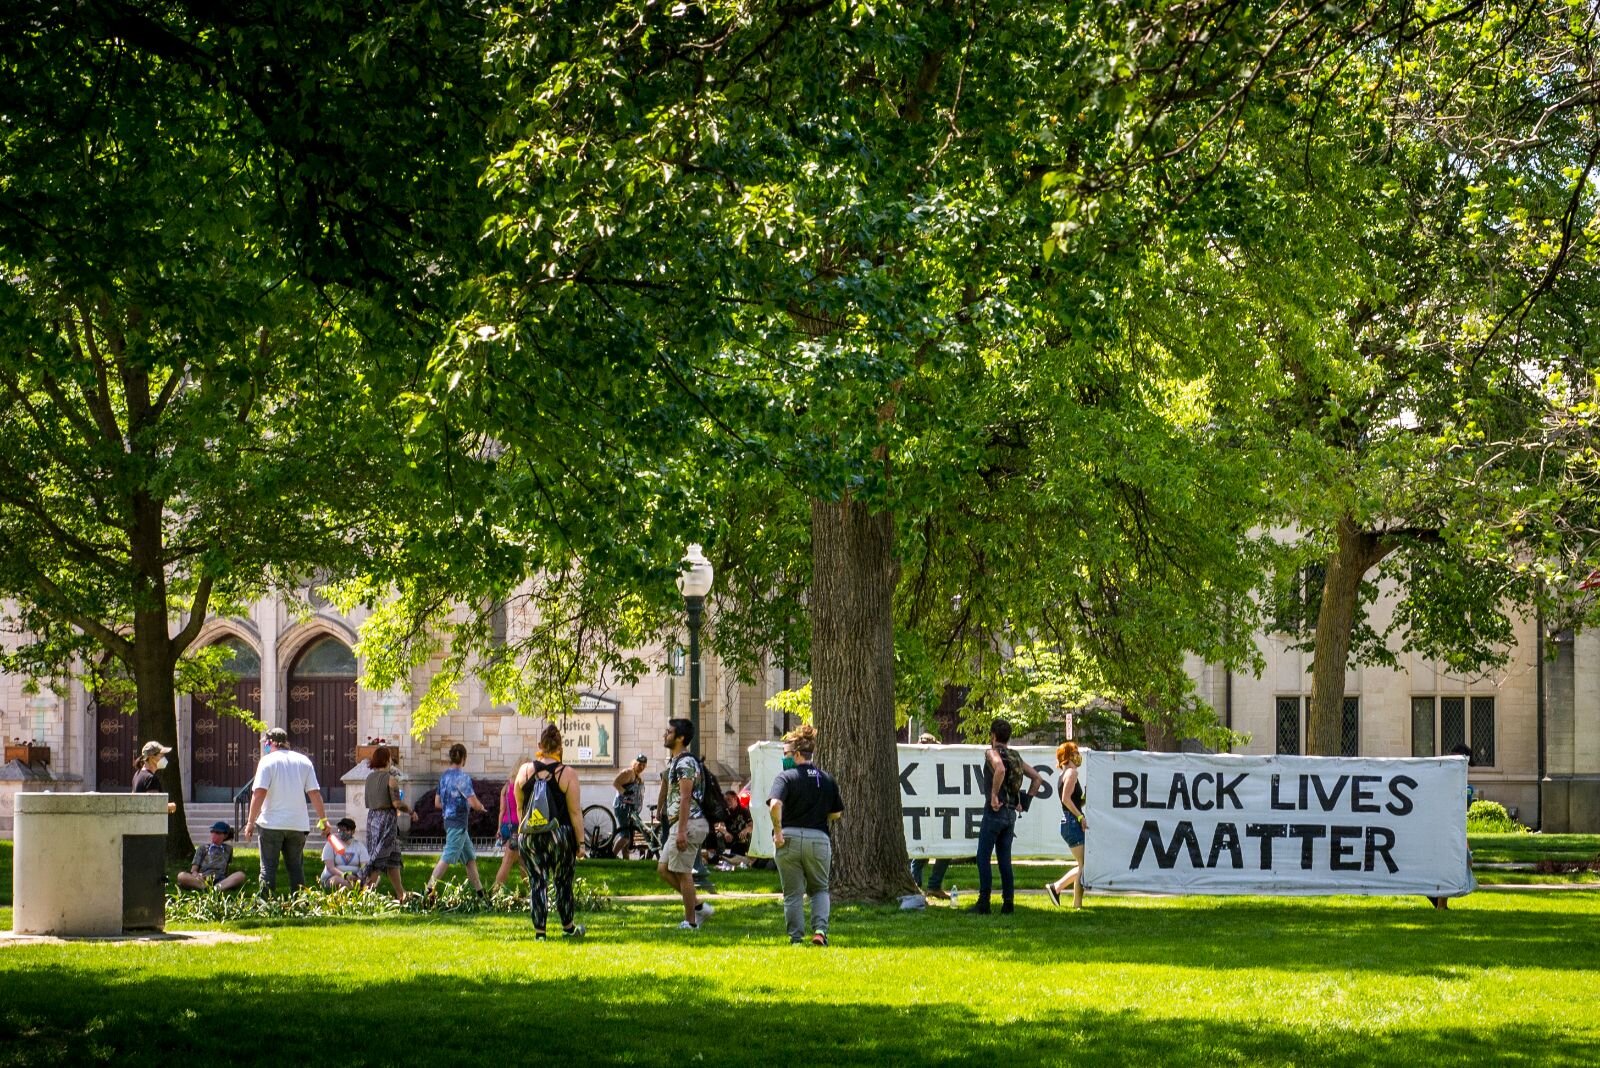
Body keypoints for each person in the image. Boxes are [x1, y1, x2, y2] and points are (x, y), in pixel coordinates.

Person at [768, 724, 844, 945]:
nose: (785, 758)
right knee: (820, 889)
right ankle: (820, 930)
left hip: (789, 839)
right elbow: (837, 813)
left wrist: (778, 832)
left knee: (792, 894)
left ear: (798, 754)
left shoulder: (786, 777)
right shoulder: (827, 779)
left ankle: (796, 939)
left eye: (787, 754)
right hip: (819, 839)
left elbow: (774, 805)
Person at [515, 722, 587, 939]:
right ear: (560, 747)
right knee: (563, 881)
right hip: (560, 835)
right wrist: (581, 844)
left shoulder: (524, 770)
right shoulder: (567, 773)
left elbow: (520, 806)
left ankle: (540, 933)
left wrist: (524, 832)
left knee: (537, 882)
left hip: (530, 836)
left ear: (540, 745)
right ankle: (567, 928)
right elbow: (575, 813)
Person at [971, 718, 1049, 915]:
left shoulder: (992, 752)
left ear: (993, 736)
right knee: (1004, 860)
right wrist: (1025, 801)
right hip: (1011, 815)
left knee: (983, 857)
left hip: (995, 812)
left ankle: (984, 902)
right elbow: (1038, 778)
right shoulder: (1016, 756)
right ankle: (1008, 903)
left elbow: (1000, 768)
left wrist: (994, 795)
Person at [244, 726, 332, 895]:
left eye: (266, 743)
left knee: (268, 868)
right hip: (297, 825)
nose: (265, 746)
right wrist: (323, 821)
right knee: (296, 868)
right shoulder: (304, 761)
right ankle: (300, 903)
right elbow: (314, 793)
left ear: (271, 743)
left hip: (271, 823)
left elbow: (259, 793)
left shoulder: (267, 761)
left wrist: (250, 822)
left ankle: (265, 903)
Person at [657, 718, 713, 930]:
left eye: (669, 732)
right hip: (679, 823)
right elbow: (669, 788)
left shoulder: (686, 763)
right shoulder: (675, 761)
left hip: (689, 823)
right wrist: (662, 808)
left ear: (680, 737)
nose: (665, 735)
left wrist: (681, 831)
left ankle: (691, 922)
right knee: (663, 869)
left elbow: (686, 797)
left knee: (683, 872)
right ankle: (698, 907)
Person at [425, 743, 487, 899]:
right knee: (447, 857)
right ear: (464, 759)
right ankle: (428, 890)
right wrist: (481, 807)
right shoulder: (462, 778)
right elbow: (473, 802)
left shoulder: (444, 777)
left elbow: (437, 803)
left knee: (470, 858)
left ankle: (481, 893)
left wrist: (450, 805)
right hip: (458, 824)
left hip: (451, 822)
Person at [362, 745, 412, 899]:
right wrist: (410, 811)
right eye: (389, 758)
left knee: (393, 859)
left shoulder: (369, 778)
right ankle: (363, 897)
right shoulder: (391, 780)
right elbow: (397, 804)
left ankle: (401, 894)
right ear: (386, 760)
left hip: (372, 819)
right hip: (386, 821)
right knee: (378, 858)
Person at [909, 732, 952, 898]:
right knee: (921, 853)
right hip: (924, 813)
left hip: (936, 813)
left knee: (937, 852)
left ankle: (923, 886)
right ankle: (919, 886)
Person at [1045, 741, 1087, 909]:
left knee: (1083, 865)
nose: (1077, 755)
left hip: (1069, 821)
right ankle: (1077, 904)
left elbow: (1074, 801)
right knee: (1084, 866)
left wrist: (1085, 799)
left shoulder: (1064, 775)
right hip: (1071, 821)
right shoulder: (1072, 773)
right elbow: (1066, 800)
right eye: (1074, 752)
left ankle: (1056, 888)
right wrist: (1080, 818)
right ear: (1068, 756)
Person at [176, 821, 246, 891]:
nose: (214, 834)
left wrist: (227, 878)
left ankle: (217, 888)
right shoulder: (203, 848)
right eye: (212, 832)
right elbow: (194, 870)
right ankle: (205, 887)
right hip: (203, 878)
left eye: (218, 833)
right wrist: (197, 875)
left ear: (225, 835)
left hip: (220, 879)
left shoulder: (228, 849)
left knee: (241, 875)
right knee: (181, 876)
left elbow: (226, 868)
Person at [612, 753, 649, 856]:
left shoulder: (638, 776)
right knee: (626, 836)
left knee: (630, 836)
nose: (641, 767)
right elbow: (615, 783)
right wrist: (624, 792)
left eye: (643, 765)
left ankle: (625, 859)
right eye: (639, 764)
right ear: (635, 763)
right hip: (622, 807)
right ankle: (612, 855)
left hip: (632, 810)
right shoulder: (628, 772)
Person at [320, 817, 371, 890]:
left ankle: (358, 888)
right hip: (332, 877)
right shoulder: (331, 844)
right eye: (340, 829)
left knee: (371, 878)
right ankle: (359, 890)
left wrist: (359, 877)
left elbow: (364, 866)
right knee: (338, 880)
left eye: (345, 830)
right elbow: (330, 867)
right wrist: (345, 875)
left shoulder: (359, 846)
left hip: (355, 877)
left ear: (353, 831)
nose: (342, 832)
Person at [492, 775, 523, 892]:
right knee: (507, 861)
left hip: (506, 825)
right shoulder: (521, 785)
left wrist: (499, 829)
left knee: (523, 860)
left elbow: (502, 810)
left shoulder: (506, 787)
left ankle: (531, 894)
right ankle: (495, 892)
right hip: (517, 827)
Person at [131, 741, 177, 814]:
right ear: (152, 757)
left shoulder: (137, 774)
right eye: (161, 756)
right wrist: (170, 806)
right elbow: (154, 806)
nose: (164, 758)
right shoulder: (151, 779)